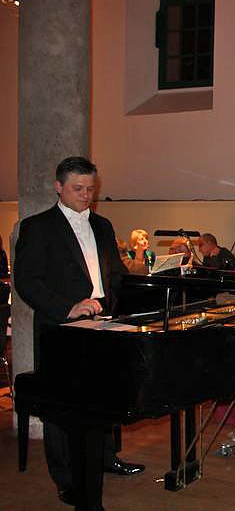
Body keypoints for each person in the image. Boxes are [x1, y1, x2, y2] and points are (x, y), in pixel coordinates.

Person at [14, 156, 145, 508]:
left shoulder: (102, 225)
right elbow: (27, 280)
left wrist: (115, 304)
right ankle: (67, 479)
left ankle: (105, 458)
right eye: (78, 188)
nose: (86, 195)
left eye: (91, 188)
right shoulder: (37, 227)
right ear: (58, 187)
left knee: (104, 397)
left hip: (103, 322)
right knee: (63, 406)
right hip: (61, 328)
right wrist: (67, 307)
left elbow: (115, 273)